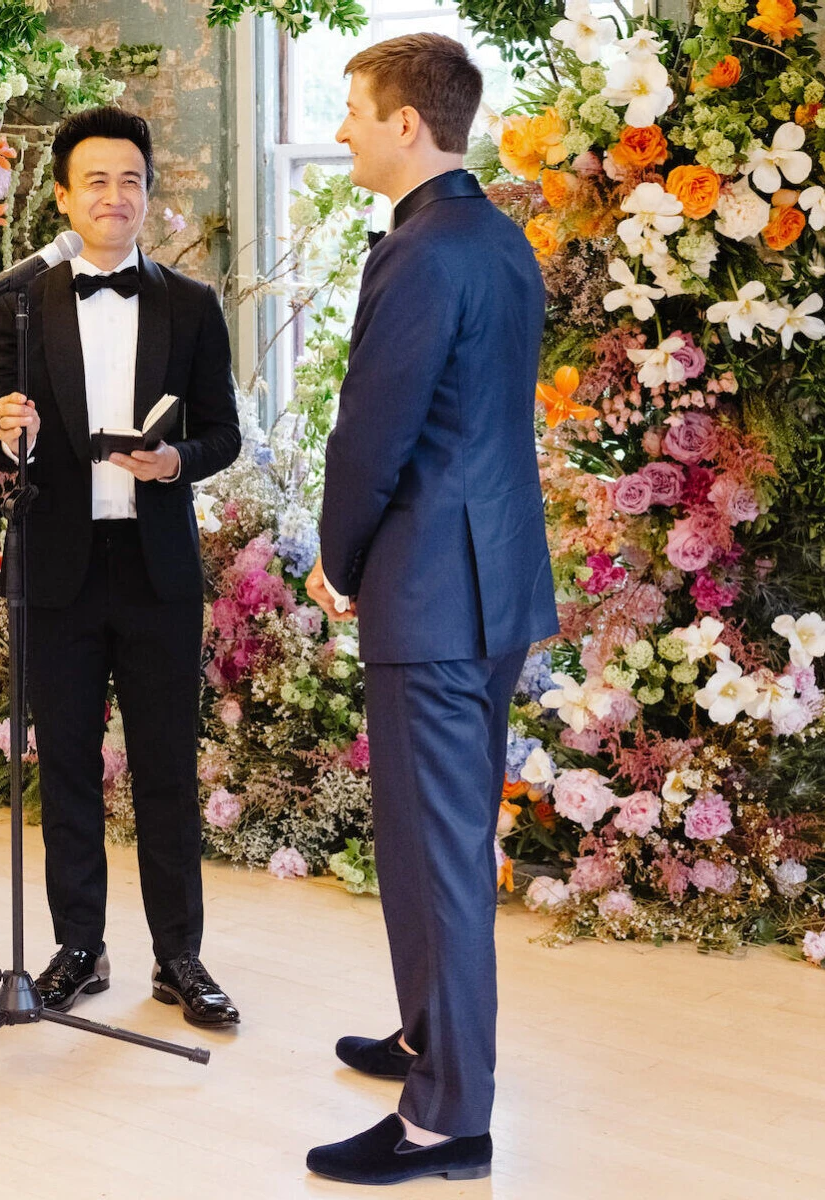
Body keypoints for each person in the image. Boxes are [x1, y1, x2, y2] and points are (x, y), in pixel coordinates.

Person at [300, 34, 556, 1186]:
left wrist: (337, 559)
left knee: (440, 854)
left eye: (354, 110)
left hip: (428, 592)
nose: (343, 127)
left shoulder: (419, 254)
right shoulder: (497, 239)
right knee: (427, 839)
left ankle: (447, 1118)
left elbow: (373, 432)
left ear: (408, 124)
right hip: (490, 581)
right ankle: (424, 1035)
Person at [0, 107, 244, 1031]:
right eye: (95, 180)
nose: (115, 196)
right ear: (61, 195)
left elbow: (222, 434)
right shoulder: (20, 303)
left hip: (158, 571)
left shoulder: (191, 305)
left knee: (166, 769)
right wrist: (3, 435)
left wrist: (177, 463)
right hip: (59, 567)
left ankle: (181, 958)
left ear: (150, 194)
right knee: (71, 770)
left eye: (131, 180)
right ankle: (79, 948)